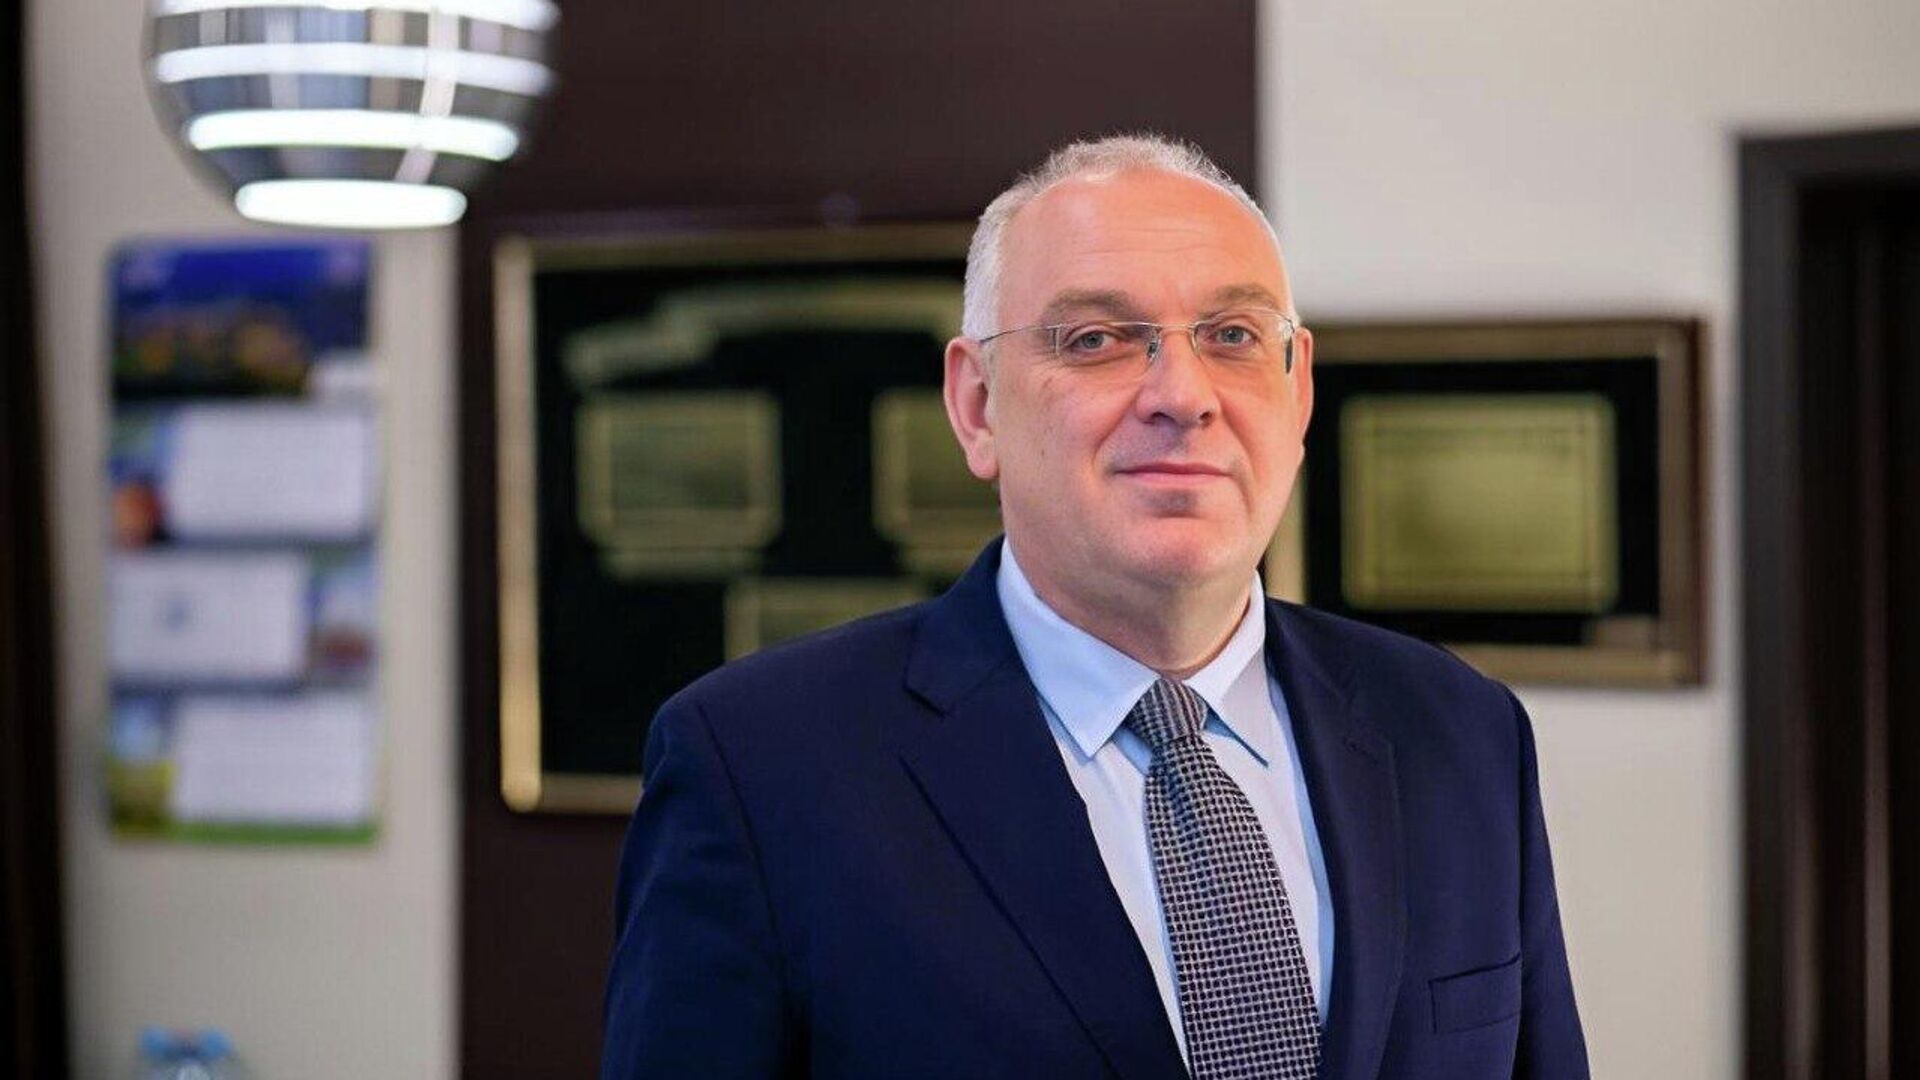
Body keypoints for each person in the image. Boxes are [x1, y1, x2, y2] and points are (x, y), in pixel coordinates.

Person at [601, 134, 1590, 1079]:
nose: (1183, 395)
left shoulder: (1460, 733)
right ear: (977, 406)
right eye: (1098, 339)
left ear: (1296, 396)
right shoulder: (760, 769)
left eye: (1234, 336)